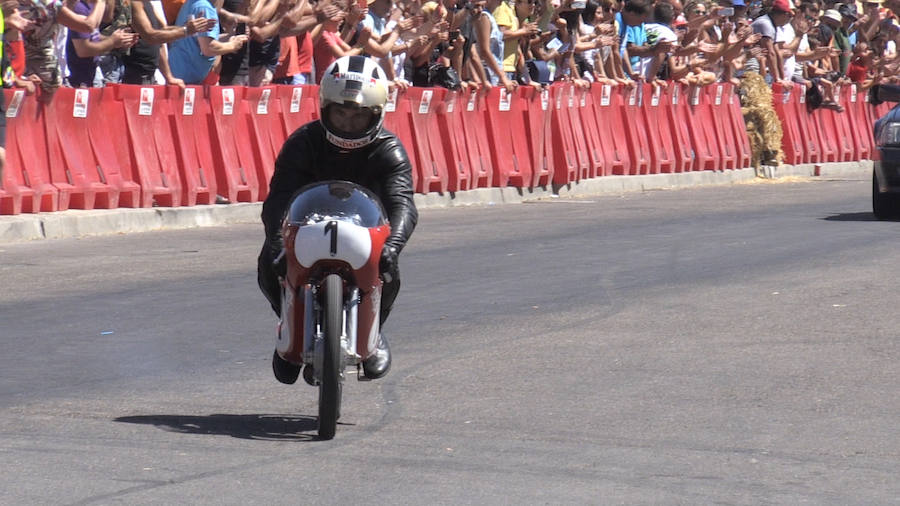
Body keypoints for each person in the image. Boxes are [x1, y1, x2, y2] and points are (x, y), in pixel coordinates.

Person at [259, 55, 417, 383]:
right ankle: (289, 324)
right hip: (309, 227)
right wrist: (277, 240)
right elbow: (277, 199)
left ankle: (374, 332)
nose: (348, 122)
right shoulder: (303, 143)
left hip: (364, 232)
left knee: (390, 271)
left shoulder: (390, 149)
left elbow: (403, 204)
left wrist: (394, 245)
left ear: (375, 114)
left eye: (359, 115)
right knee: (266, 261)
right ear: (325, 108)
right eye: (341, 113)